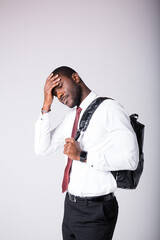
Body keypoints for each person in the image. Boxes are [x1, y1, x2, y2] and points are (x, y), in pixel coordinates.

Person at [34, 66, 139, 240]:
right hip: (70, 207)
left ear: (75, 77)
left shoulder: (110, 109)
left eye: (59, 86)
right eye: (54, 93)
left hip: (96, 212)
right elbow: (42, 148)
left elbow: (131, 159)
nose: (58, 95)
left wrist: (82, 156)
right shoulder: (72, 117)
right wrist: (46, 105)